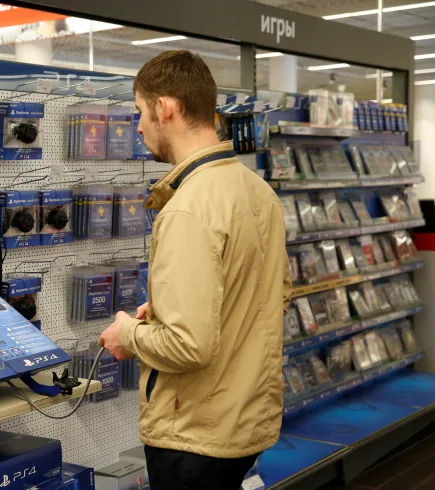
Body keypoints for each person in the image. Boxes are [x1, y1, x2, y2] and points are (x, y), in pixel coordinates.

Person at [98, 50, 291, 490]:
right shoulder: (257, 191)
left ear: (165, 108)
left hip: (195, 435)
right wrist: (170, 305)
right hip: (243, 423)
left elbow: (188, 346)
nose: (139, 126)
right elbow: (268, 298)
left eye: (140, 113)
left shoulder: (187, 208)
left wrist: (125, 334)